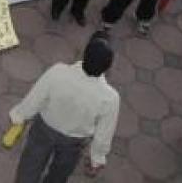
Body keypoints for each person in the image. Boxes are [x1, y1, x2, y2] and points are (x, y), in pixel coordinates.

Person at [7, 34, 118, 182]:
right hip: (73, 143)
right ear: (107, 67)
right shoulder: (110, 98)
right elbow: (104, 134)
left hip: (44, 129)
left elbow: (35, 97)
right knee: (59, 175)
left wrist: (19, 116)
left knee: (29, 167)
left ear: (84, 54)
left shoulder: (58, 72)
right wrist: (97, 158)